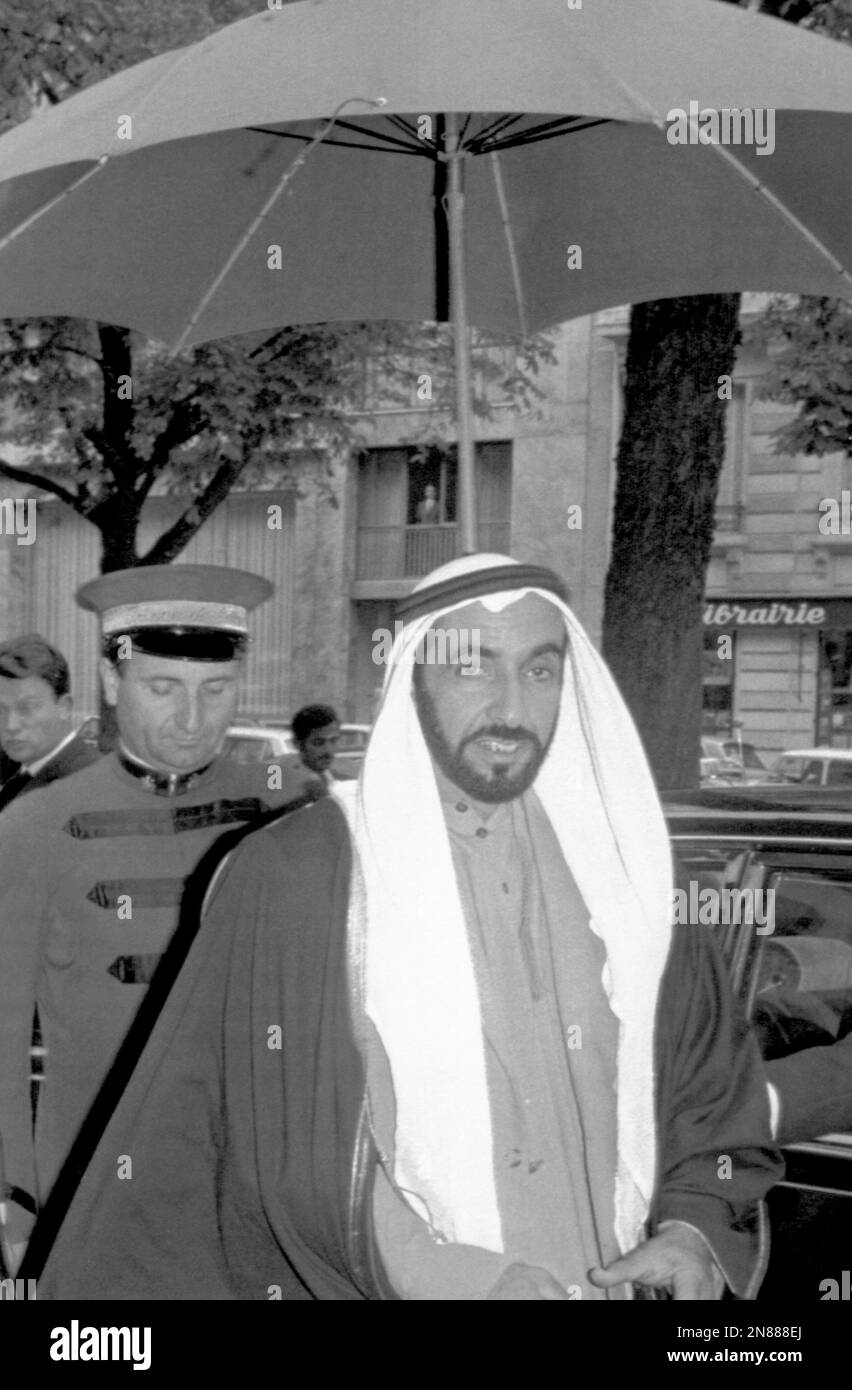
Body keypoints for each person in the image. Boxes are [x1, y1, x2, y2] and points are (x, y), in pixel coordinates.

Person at [28, 555, 780, 1300]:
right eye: (473, 669)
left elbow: (707, 1082)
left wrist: (694, 1226)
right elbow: (271, 1137)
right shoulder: (302, 872)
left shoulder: (631, 874)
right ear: (413, 679)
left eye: (540, 671)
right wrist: (451, 1277)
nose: (511, 707)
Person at [0, 563, 311, 1273]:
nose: (193, 719)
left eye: (216, 689)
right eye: (163, 688)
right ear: (112, 682)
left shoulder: (291, 811)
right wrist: (14, 1201)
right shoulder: (33, 826)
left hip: (252, 1205)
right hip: (93, 1198)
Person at [0, 635, 101, 811]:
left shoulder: (88, 787)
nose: (11, 725)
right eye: (1, 710)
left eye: (28, 708)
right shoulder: (20, 768)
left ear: (64, 707)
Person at [290, 703, 345, 787]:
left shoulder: (343, 781)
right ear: (297, 744)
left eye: (333, 741)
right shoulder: (283, 786)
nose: (328, 750)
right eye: (318, 742)